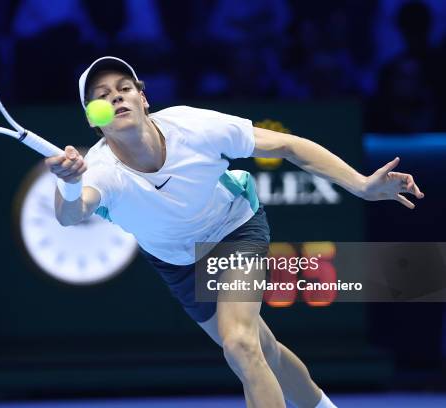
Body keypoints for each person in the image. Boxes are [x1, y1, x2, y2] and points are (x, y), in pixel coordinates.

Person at [45, 56, 424, 408]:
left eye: (124, 88)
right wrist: (70, 184)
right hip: (177, 261)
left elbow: (288, 145)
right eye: (102, 96)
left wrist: (360, 184)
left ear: (143, 98)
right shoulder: (99, 169)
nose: (116, 97)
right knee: (263, 349)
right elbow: (70, 215)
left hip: (233, 228)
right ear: (93, 118)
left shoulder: (193, 127)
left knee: (240, 345)